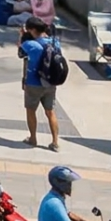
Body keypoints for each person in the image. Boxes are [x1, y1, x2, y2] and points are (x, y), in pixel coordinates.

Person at [20, 19, 66, 150]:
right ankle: (55, 142)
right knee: (50, 112)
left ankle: (33, 138)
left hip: (33, 83)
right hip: (50, 82)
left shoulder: (31, 44)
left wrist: (22, 35)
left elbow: (21, 50)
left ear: (33, 30)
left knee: (31, 111)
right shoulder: (55, 43)